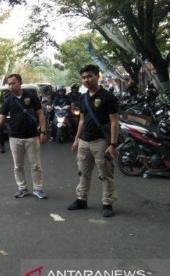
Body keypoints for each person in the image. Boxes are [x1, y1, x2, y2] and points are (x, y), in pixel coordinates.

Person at [0, 73, 48, 199]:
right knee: (18, 166)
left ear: (20, 82)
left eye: (13, 83)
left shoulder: (32, 97)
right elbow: (0, 120)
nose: (11, 86)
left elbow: (40, 114)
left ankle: (38, 189)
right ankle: (22, 188)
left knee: (36, 165)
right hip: (15, 137)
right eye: (9, 84)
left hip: (32, 137)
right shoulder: (7, 101)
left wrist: (43, 132)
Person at [69, 64, 119, 217]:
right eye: (84, 77)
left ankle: (107, 203)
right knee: (83, 172)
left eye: (90, 76)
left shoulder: (108, 97)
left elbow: (114, 122)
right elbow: (82, 120)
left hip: (101, 142)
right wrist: (77, 139)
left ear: (98, 77)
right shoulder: (82, 98)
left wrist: (113, 144)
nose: (87, 80)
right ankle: (81, 199)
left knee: (105, 173)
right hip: (84, 141)